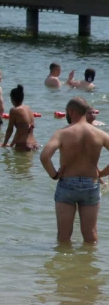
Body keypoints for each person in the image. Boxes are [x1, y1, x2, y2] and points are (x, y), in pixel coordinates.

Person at [41, 97, 109, 244]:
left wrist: (54, 175)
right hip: (91, 184)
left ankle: (65, 265)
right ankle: (89, 265)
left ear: (71, 111)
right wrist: (102, 173)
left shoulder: (62, 133)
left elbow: (44, 156)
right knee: (90, 234)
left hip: (67, 184)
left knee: (64, 235)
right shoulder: (99, 133)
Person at [2, 85, 38, 151]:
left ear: (12, 99)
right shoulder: (28, 108)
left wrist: (4, 144)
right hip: (34, 144)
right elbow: (21, 129)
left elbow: (10, 130)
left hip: (23, 145)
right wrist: (12, 144)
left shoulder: (14, 110)